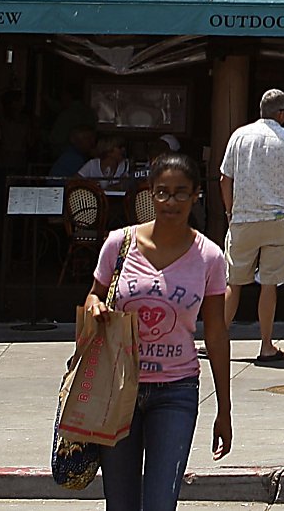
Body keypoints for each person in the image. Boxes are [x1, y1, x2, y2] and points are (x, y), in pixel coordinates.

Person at [82, 149, 232, 510]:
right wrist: (96, 307)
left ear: (196, 195)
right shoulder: (119, 244)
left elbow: (215, 332)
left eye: (181, 192)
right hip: (119, 388)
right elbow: (92, 297)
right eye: (163, 192)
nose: (171, 201)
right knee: (120, 503)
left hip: (176, 392)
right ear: (151, 194)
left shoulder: (209, 257)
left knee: (161, 503)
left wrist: (224, 409)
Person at [218, 88, 284, 364]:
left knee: (233, 281)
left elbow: (225, 178)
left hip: (243, 217)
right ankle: (266, 345)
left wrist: (229, 211)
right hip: (279, 219)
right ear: (281, 113)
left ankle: (218, 338)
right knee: (269, 285)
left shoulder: (239, 136)